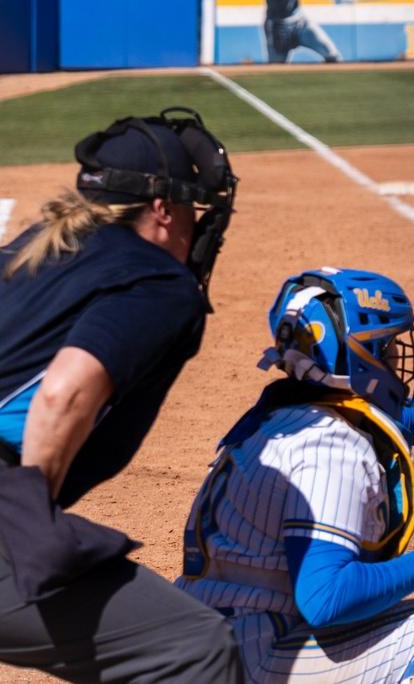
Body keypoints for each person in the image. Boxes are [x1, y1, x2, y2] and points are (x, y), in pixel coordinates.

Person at [176, 268, 414, 682]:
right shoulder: (332, 447)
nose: (398, 354)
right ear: (363, 353)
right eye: (389, 344)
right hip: (251, 656)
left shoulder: (285, 416)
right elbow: (325, 599)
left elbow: (413, 418)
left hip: (204, 640)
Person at [0, 109, 242, 681]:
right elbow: (62, 394)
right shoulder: (160, 280)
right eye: (192, 208)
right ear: (162, 210)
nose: (197, 224)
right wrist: (31, 518)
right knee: (196, 645)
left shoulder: (35, 247)